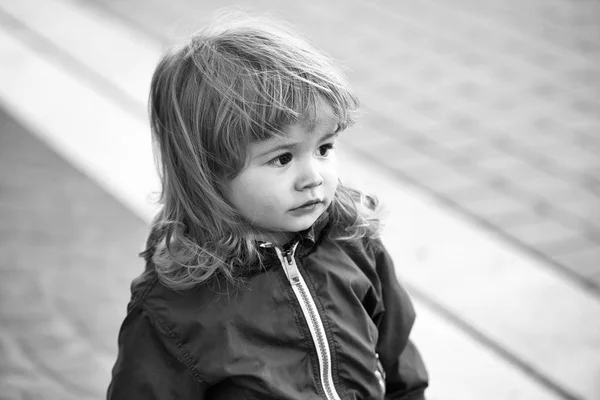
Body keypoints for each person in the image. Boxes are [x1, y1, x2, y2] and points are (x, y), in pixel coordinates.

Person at [107, 12, 428, 400]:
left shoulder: (352, 239)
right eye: (282, 158)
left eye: (324, 148)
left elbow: (400, 364)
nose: (313, 177)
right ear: (209, 171)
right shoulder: (173, 308)